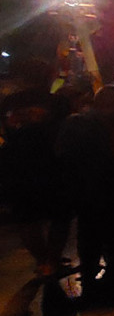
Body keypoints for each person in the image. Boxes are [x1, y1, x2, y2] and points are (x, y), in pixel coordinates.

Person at [55, 85, 114, 300]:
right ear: (112, 106)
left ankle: (90, 274)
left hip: (81, 190)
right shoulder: (109, 125)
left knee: (89, 233)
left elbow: (59, 155)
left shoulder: (73, 123)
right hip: (106, 188)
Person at [0, 57, 74, 279]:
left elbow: (4, 134)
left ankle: (43, 262)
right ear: (47, 76)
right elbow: (65, 135)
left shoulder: (7, 103)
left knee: (27, 218)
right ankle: (52, 260)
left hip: (15, 165)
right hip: (50, 164)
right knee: (60, 215)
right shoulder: (58, 102)